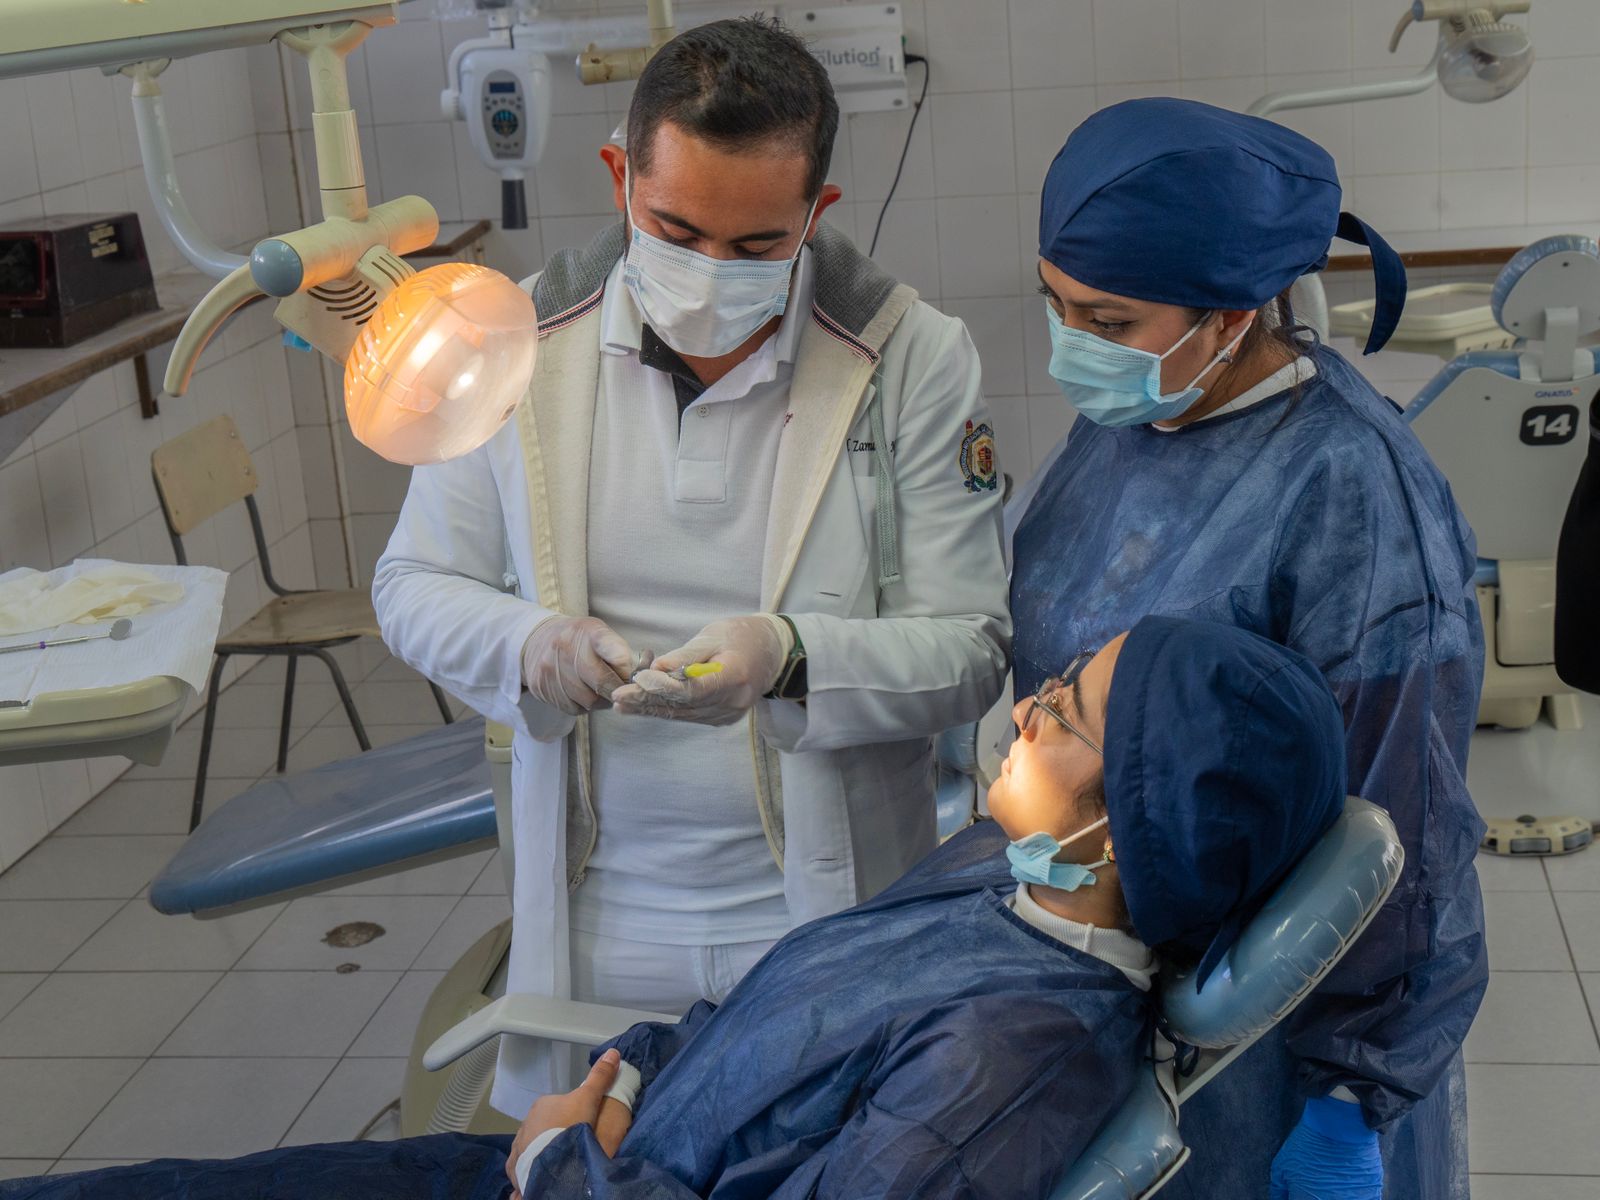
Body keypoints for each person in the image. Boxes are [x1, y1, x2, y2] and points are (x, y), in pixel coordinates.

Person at [0, 616, 1353, 1200]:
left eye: (1067, 715)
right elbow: (770, 1025)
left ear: (1144, 821)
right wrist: (619, 1079)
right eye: (1059, 678)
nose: (1034, 703)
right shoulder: (997, 885)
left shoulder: (1020, 1053)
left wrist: (553, 1165)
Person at [371, 17, 1010, 1117]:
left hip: (820, 905)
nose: (712, 273)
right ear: (621, 177)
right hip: (600, 911)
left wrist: (791, 657)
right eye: (675, 230)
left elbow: (969, 649)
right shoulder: (513, 343)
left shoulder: (909, 358)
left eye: (758, 246)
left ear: (818, 215)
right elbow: (414, 585)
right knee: (591, 1164)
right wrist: (533, 645)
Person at [1008, 98, 1489, 1200]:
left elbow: (1401, 822)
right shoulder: (1128, 422)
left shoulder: (1349, 494)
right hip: (1117, 969)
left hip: (1271, 1027)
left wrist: (1348, 1095)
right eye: (1056, 307)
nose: (1073, 346)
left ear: (1229, 320)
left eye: (1109, 321)